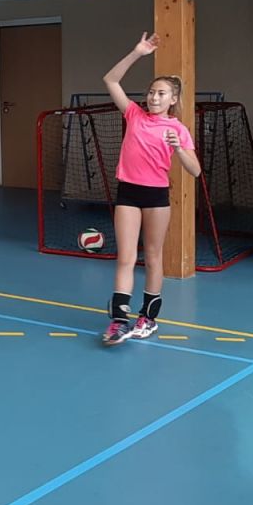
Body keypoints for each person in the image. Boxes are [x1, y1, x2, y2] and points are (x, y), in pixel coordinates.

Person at [100, 32, 202, 346]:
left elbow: (195, 170)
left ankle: (148, 317)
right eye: (151, 92)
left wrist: (179, 149)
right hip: (128, 192)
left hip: (156, 196)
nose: (154, 97)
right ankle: (119, 321)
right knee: (126, 257)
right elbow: (110, 80)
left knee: (154, 257)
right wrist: (137, 53)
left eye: (161, 93)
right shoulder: (134, 114)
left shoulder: (177, 129)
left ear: (173, 100)